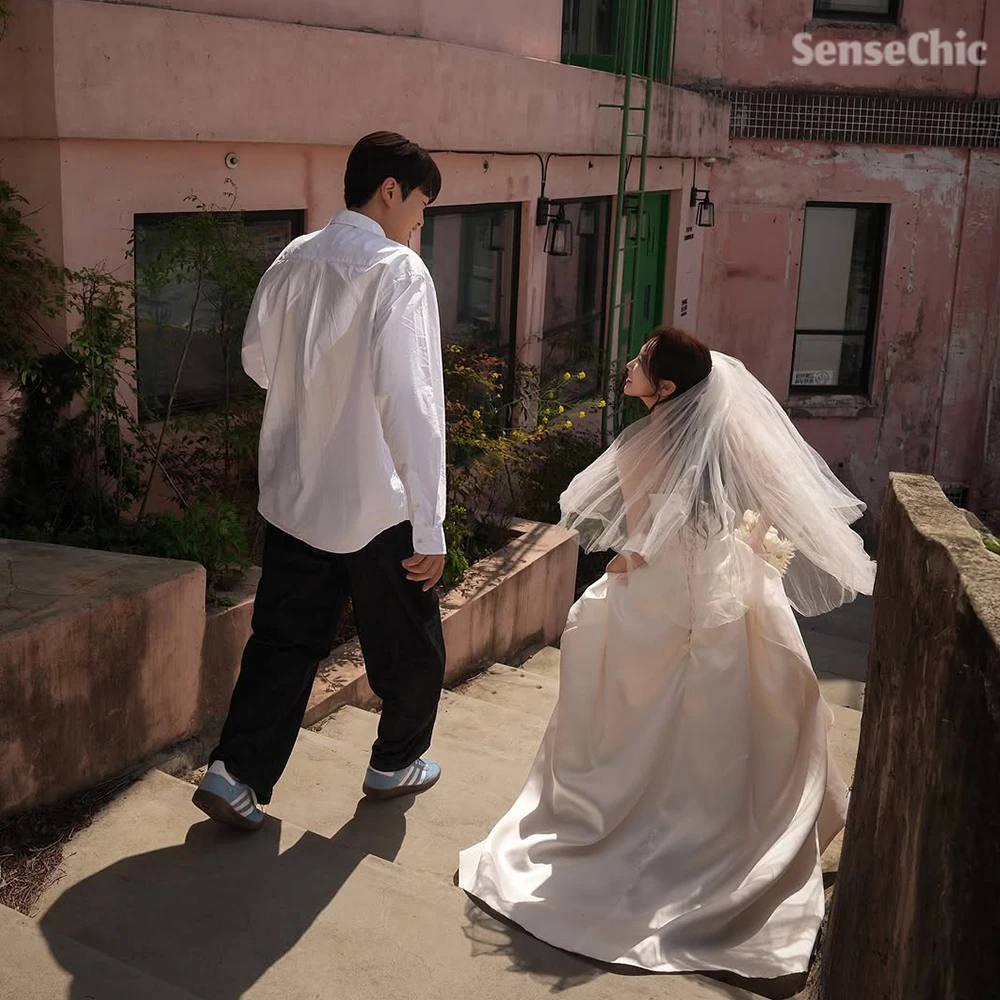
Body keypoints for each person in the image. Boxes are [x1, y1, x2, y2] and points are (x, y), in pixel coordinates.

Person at [458, 328, 876, 980]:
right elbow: (759, 511)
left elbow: (642, 545)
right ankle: (734, 838)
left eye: (641, 362)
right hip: (722, 586)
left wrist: (612, 582)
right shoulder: (726, 438)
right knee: (753, 707)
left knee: (608, 659)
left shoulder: (641, 446)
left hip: (663, 594)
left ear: (666, 389)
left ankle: (637, 830)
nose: (628, 365)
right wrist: (751, 553)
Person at [193, 132, 448, 832]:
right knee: (411, 644)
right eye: (420, 206)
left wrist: (316, 393)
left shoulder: (293, 257)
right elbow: (413, 402)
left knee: (283, 640)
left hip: (297, 493)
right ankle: (395, 763)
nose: (419, 223)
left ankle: (234, 773)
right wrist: (430, 522)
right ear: (391, 190)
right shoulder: (399, 271)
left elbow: (257, 361)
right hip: (375, 503)